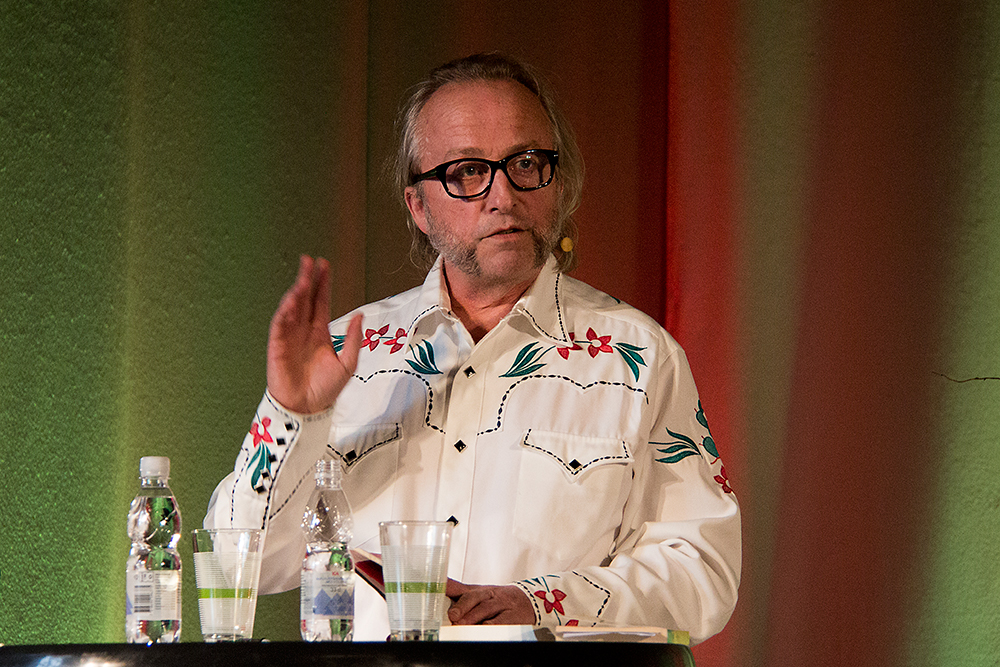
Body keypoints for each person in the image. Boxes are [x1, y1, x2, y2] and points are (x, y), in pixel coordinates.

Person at [204, 53, 740, 644]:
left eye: (527, 163)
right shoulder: (345, 355)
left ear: (559, 184)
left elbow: (703, 570)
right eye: (466, 172)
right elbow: (239, 562)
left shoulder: (637, 356)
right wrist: (291, 415)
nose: (502, 195)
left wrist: (540, 604)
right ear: (418, 206)